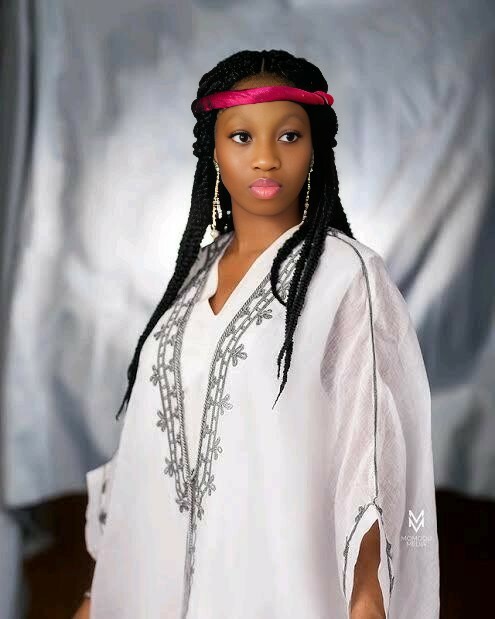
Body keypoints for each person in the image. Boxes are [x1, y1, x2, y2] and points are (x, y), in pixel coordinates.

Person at [73, 49, 439, 619]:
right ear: (213, 150)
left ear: (315, 147)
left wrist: (368, 599)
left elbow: (371, 450)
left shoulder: (346, 276)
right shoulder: (193, 276)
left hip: (280, 590)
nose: (266, 158)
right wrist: (99, 597)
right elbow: (148, 444)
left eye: (289, 136)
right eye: (242, 137)